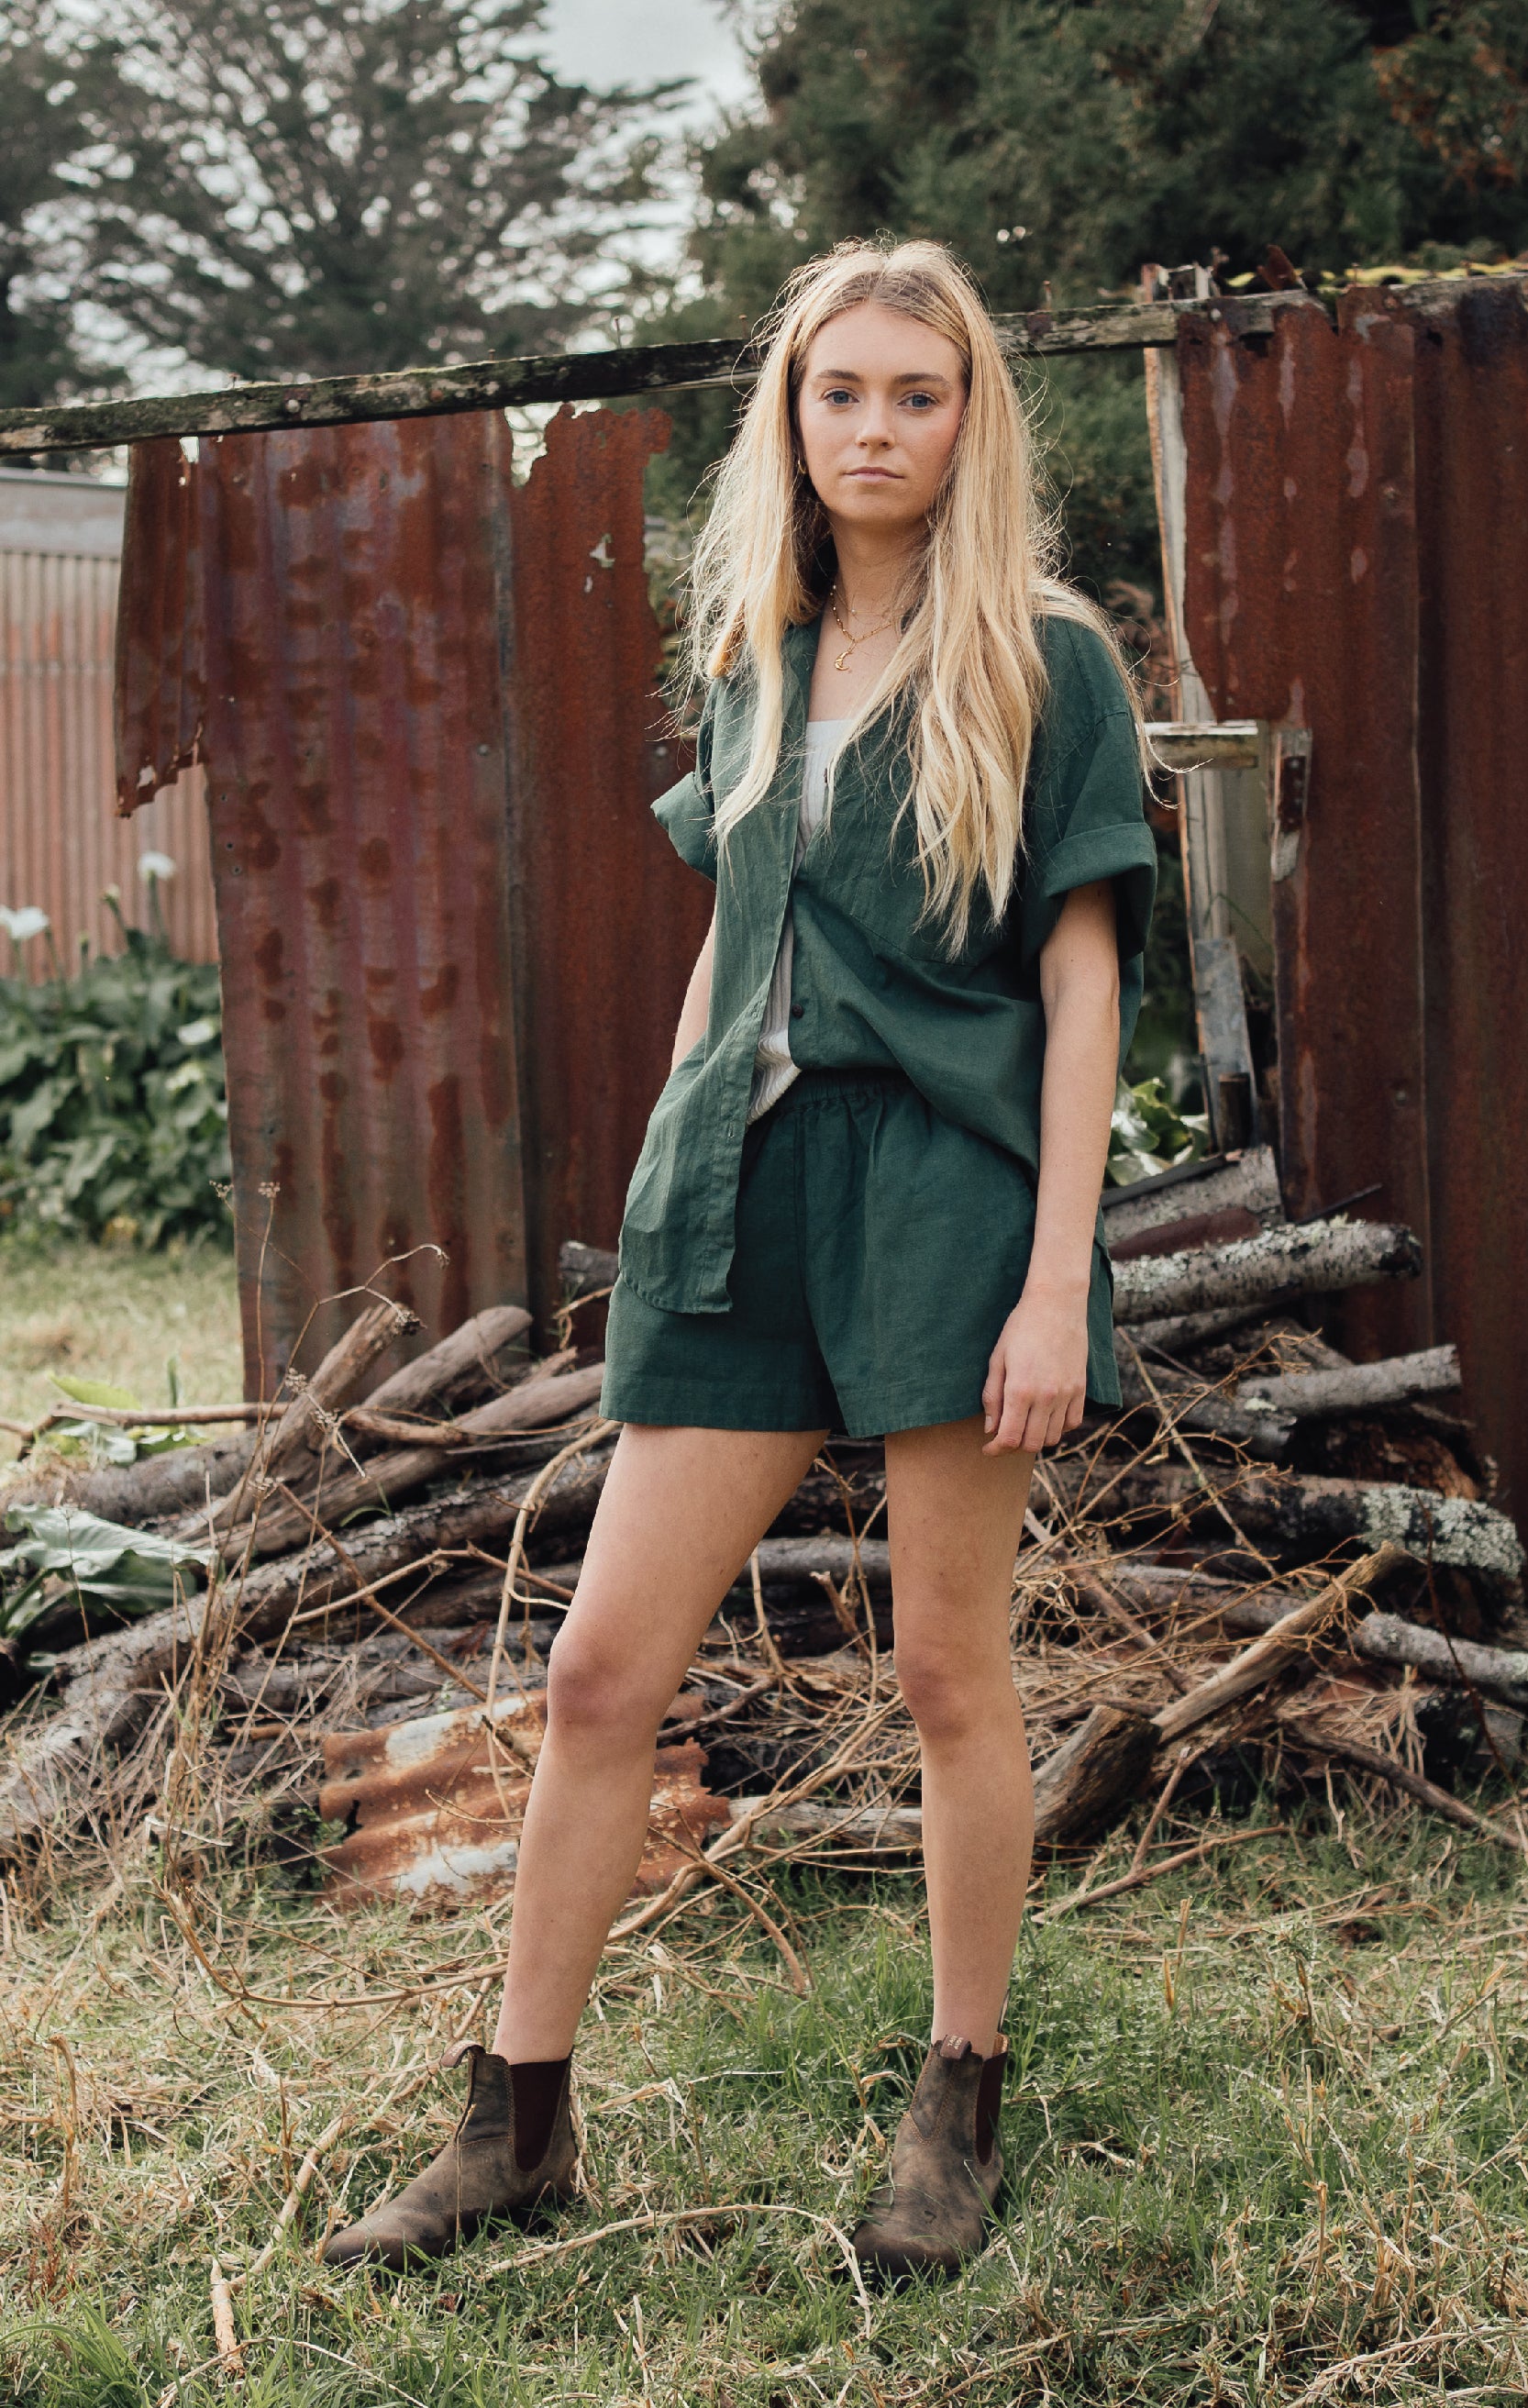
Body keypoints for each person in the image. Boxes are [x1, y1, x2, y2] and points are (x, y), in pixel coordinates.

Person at [324, 239, 1157, 2282]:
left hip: (944, 1204)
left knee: (948, 1671)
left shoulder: (1047, 665)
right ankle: (514, 2123)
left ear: (968, 423)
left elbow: (1079, 994)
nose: (872, 428)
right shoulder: (759, 650)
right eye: (838, 391)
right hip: (738, 1197)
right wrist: (676, 1147)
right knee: (602, 1670)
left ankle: (955, 2098)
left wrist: (1055, 1279)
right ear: (788, 414)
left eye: (915, 394)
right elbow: (734, 939)